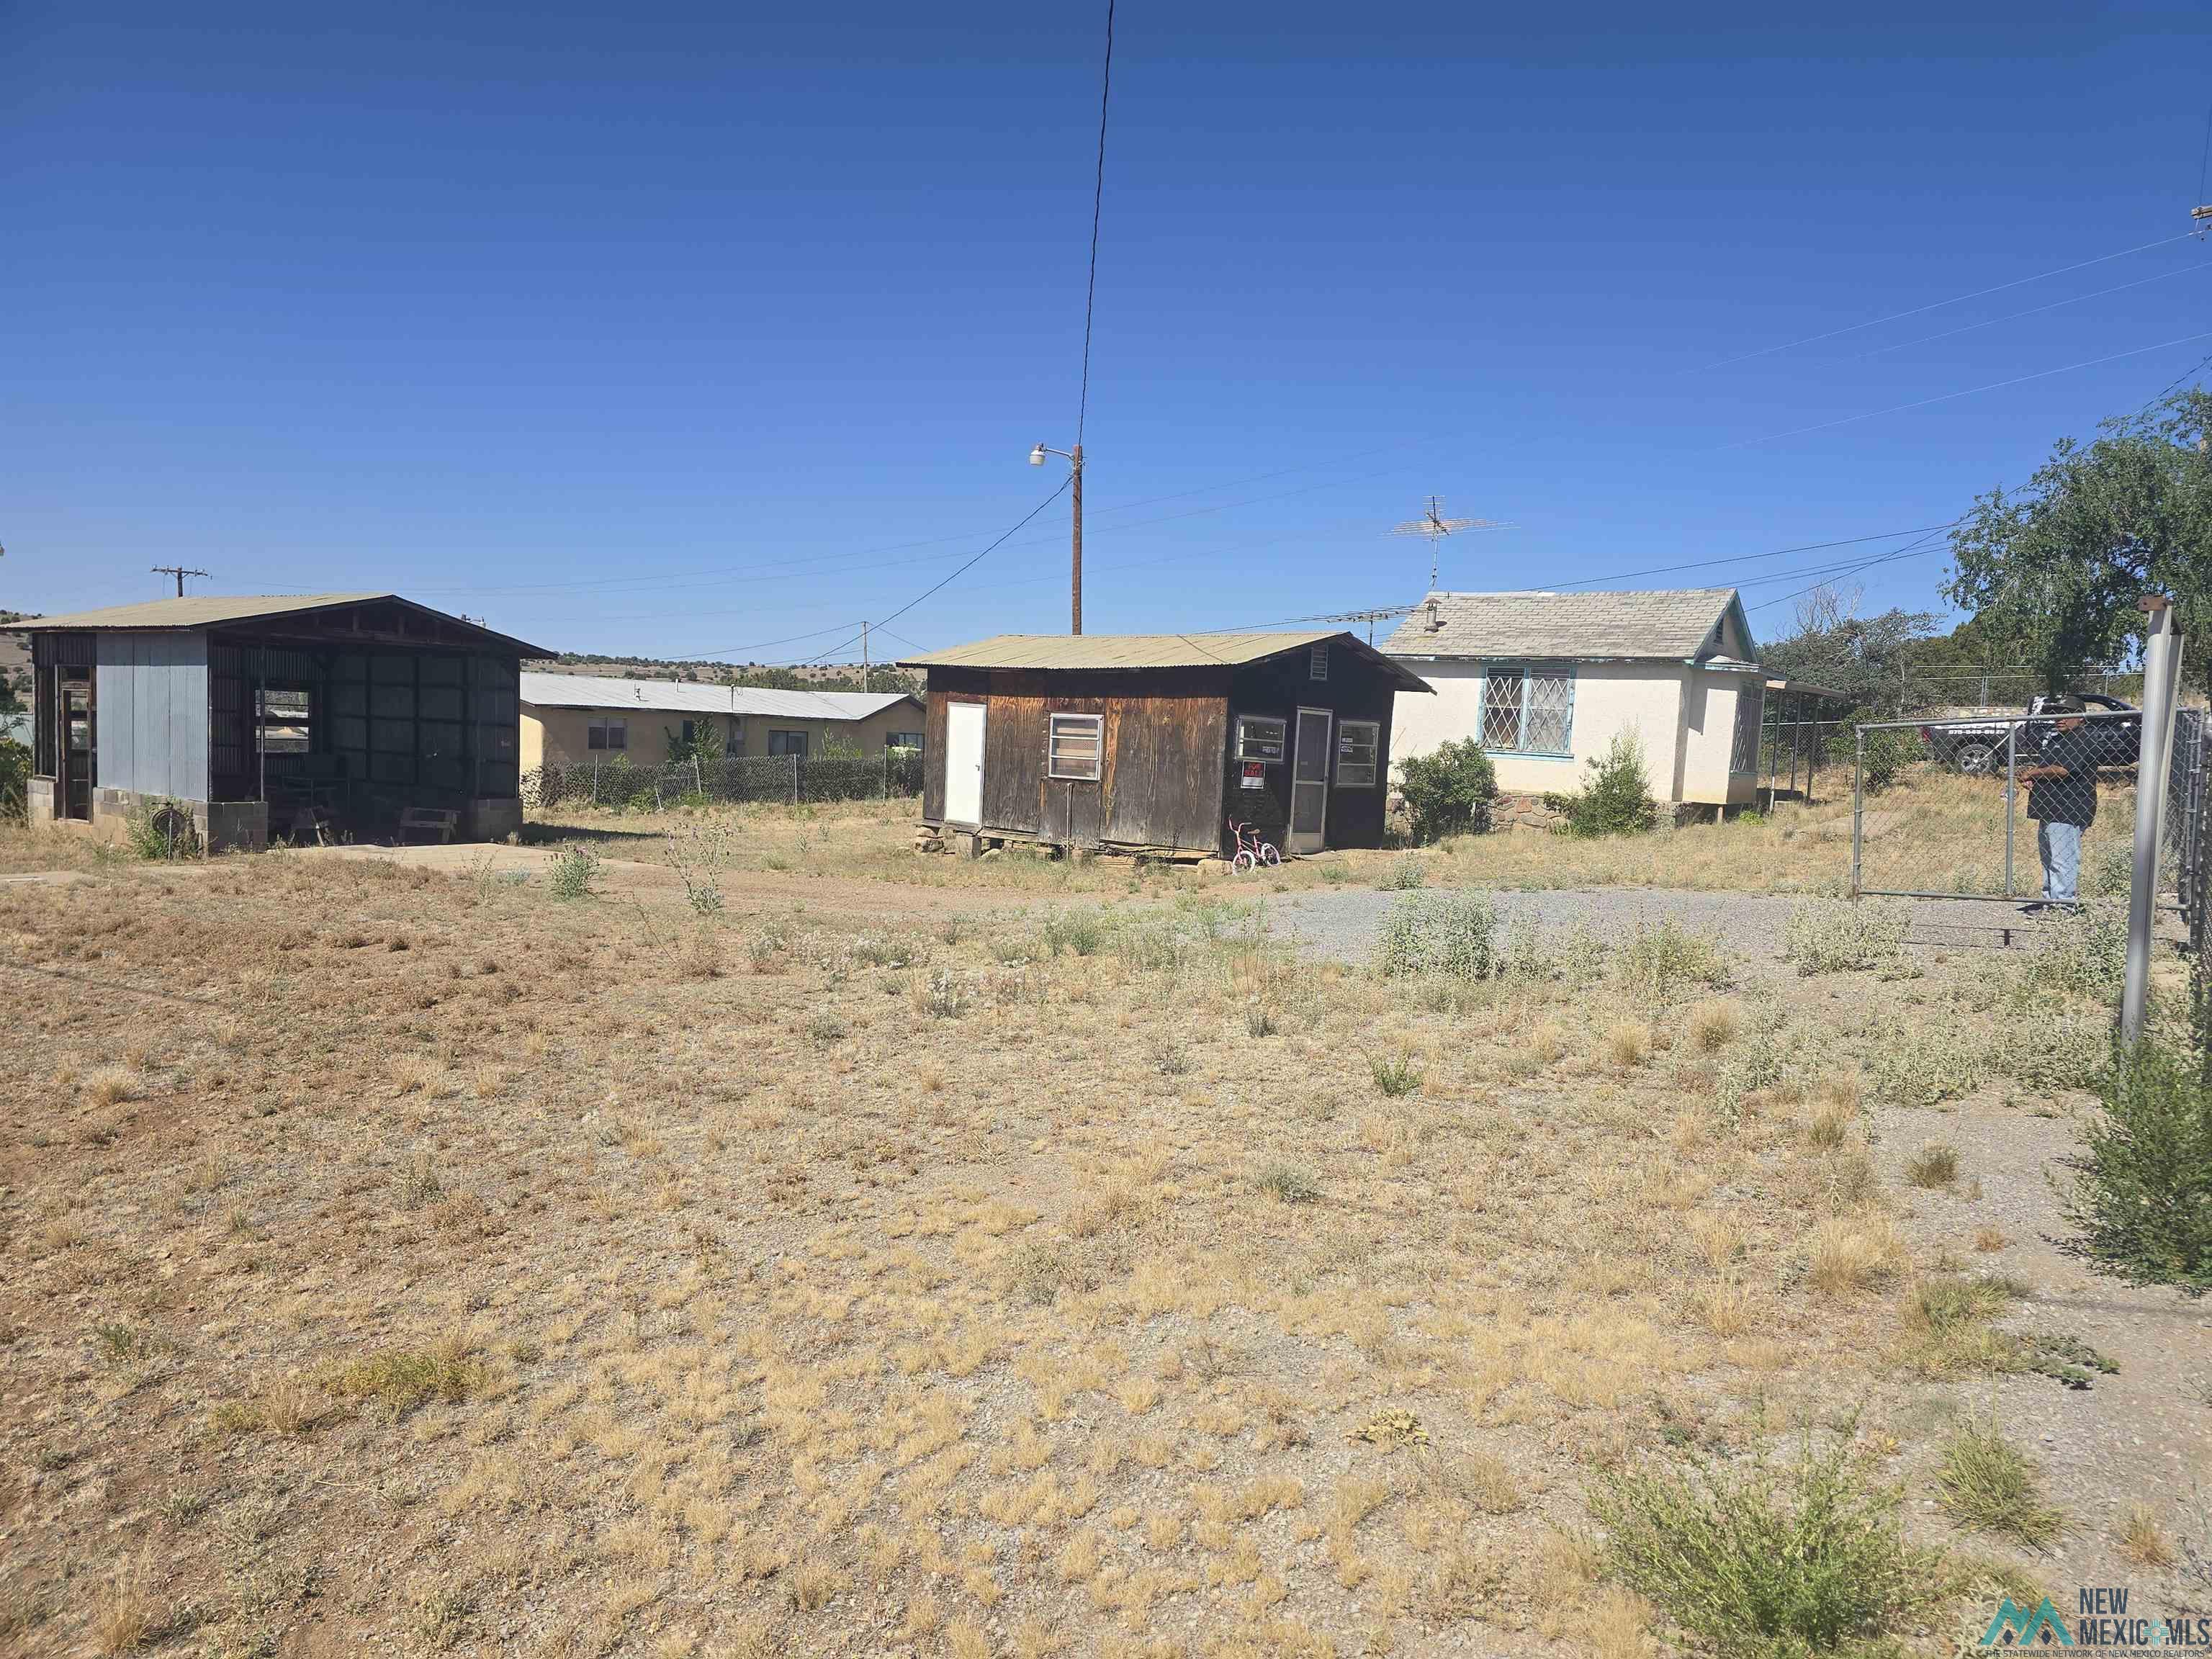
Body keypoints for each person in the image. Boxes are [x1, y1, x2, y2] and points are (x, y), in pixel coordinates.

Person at [2016, 698, 2096, 912]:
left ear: (2080, 716)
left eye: (2065, 713)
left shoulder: (2083, 739)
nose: (2059, 718)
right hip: (2049, 807)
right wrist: (2035, 778)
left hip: (2069, 807)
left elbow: (2063, 770)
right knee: (2049, 859)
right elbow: (2048, 768)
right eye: (2056, 713)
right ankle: (2050, 902)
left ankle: (2064, 907)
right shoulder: (2057, 739)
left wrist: (2032, 773)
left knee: (2063, 859)